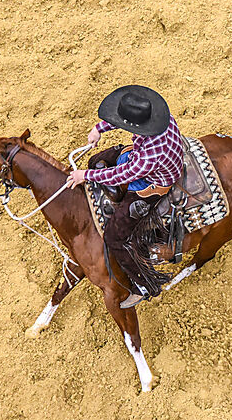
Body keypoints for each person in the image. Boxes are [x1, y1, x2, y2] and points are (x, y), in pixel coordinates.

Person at [66, 85, 183, 308]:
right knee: (97, 160)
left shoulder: (151, 154)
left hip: (152, 182)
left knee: (114, 238)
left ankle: (145, 285)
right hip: (145, 159)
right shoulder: (161, 118)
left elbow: (124, 174)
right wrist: (99, 128)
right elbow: (124, 120)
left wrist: (85, 175)